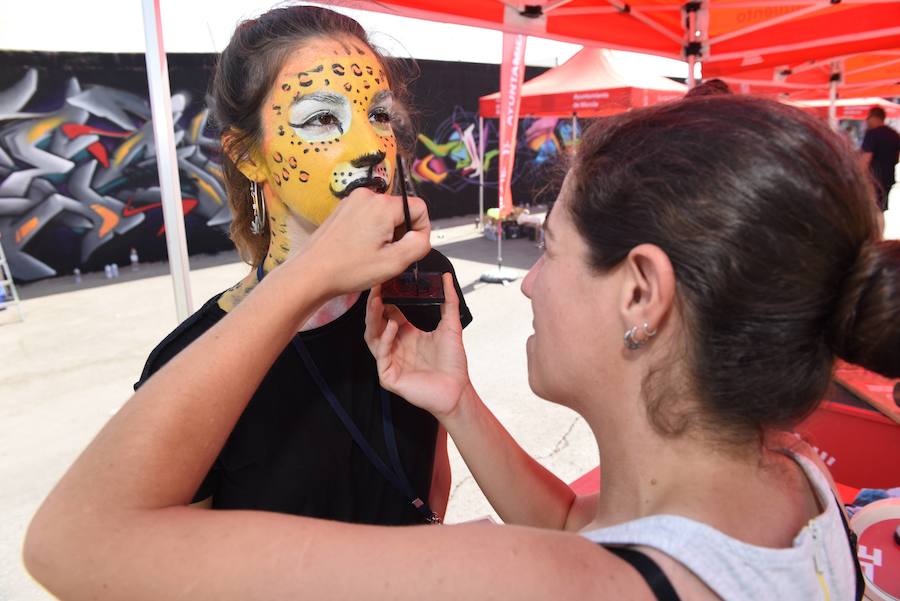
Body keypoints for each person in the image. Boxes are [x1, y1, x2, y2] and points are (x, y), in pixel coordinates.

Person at [26, 96, 900, 600]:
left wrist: (301, 280)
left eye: (549, 249)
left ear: (641, 291)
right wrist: (459, 404)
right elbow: (588, 526)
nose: (527, 283)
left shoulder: (531, 581)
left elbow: (74, 538)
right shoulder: (794, 482)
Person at [135, 5, 471, 525]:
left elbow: (433, 477)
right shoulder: (187, 367)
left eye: (379, 115)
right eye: (321, 119)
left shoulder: (421, 279)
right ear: (249, 156)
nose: (370, 148)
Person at [861, 106, 900, 217]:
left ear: (874, 117)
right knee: (880, 211)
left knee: (869, 212)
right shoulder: (894, 134)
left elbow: (865, 160)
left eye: (868, 117)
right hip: (888, 178)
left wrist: (858, 177)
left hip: (872, 180)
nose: (866, 120)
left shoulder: (872, 134)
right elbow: (897, 158)